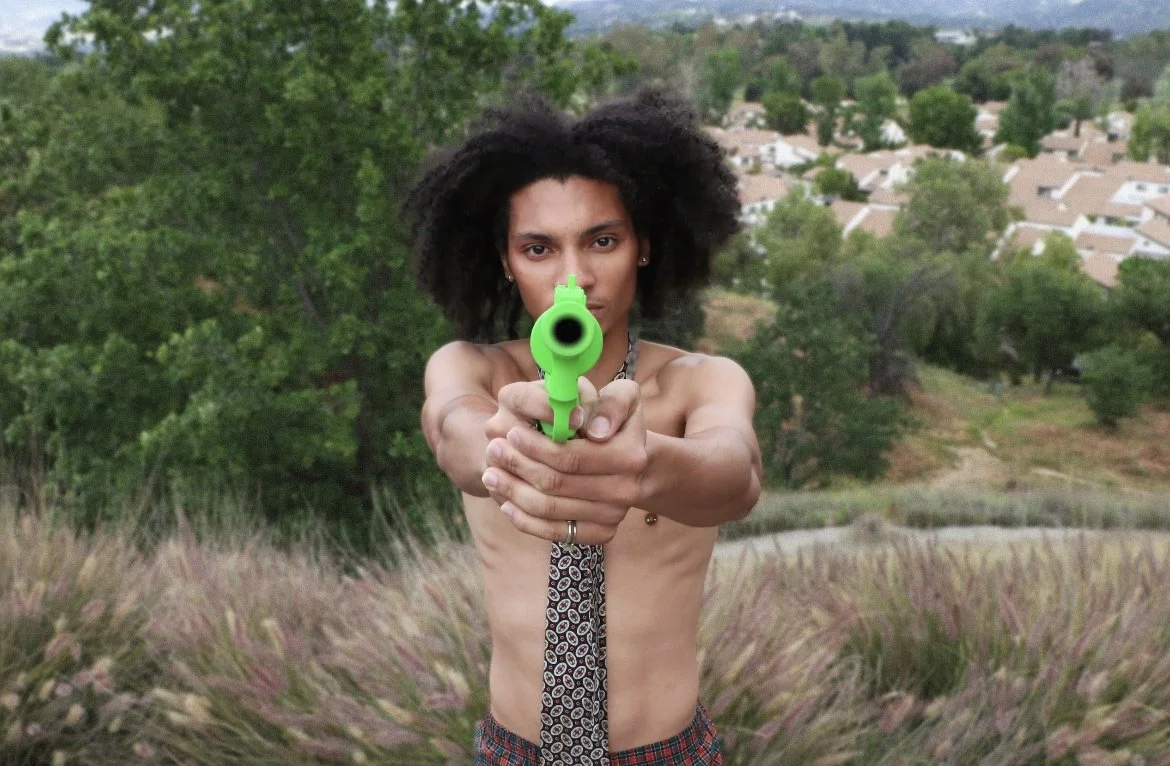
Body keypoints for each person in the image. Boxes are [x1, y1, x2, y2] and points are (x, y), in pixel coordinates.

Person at [402, 85, 764, 765]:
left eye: (602, 240)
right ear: (506, 263)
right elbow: (454, 430)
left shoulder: (700, 381)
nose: (577, 277)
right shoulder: (472, 372)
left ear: (645, 247)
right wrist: (513, 446)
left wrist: (645, 466)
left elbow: (735, 472)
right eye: (539, 249)